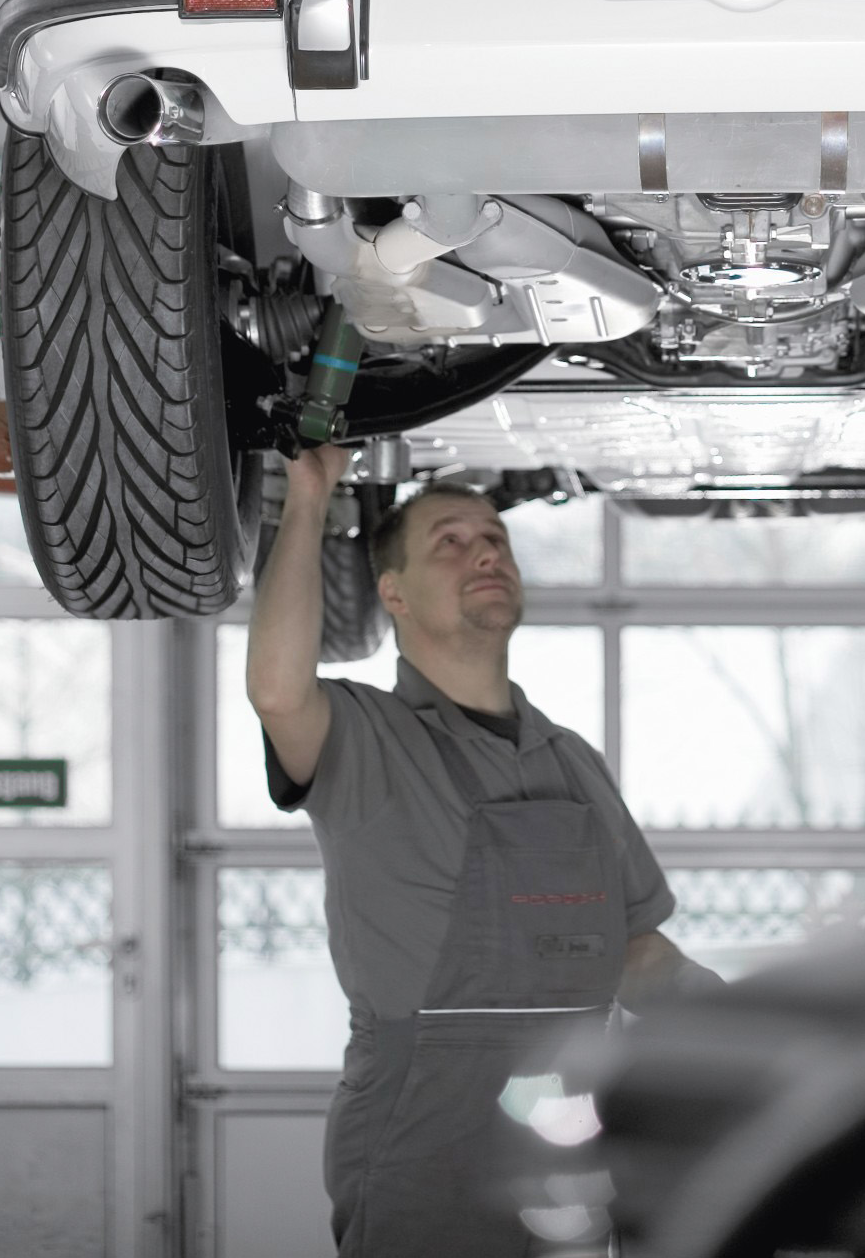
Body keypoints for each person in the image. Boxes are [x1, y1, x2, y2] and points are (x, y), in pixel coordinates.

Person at [247, 443, 713, 1257]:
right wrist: (311, 495)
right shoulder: (365, 738)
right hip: (425, 1128)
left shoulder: (572, 759)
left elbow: (637, 951)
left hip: (565, 1130)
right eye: (451, 542)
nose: (487, 552)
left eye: (495, 537)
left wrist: (758, 1029)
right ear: (392, 592)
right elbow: (277, 691)